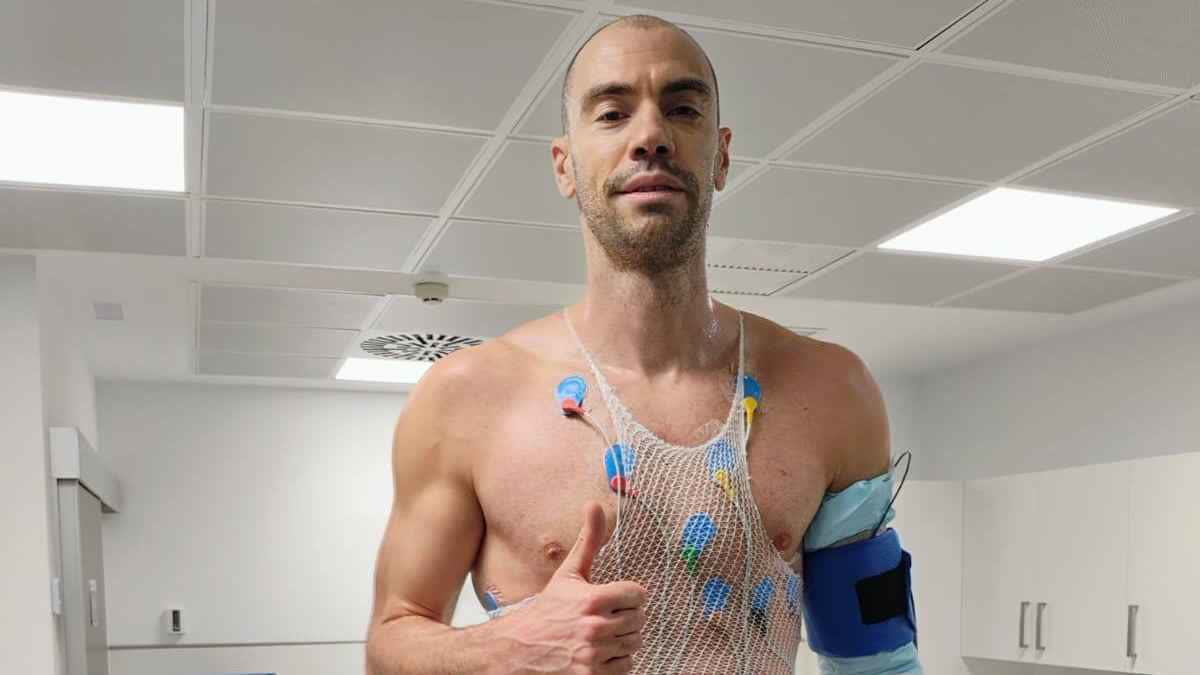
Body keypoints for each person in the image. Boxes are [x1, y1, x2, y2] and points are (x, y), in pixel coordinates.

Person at [366, 14, 921, 675]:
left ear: (721, 155)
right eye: (612, 113)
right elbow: (389, 645)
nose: (651, 135)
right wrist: (508, 649)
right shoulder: (464, 399)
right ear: (564, 165)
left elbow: (877, 661)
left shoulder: (832, 390)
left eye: (682, 109)